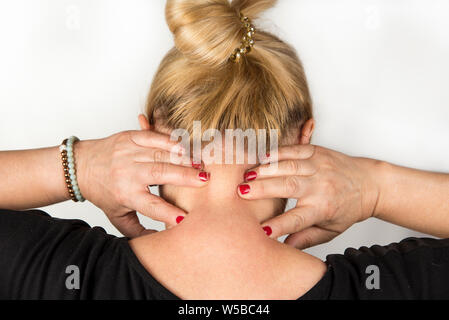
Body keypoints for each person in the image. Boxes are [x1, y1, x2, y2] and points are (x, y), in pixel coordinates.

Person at [1, 0, 448, 300]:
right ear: (305, 134)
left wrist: (76, 165)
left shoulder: (57, 272)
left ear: (150, 129)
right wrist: (377, 187)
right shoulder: (392, 285)